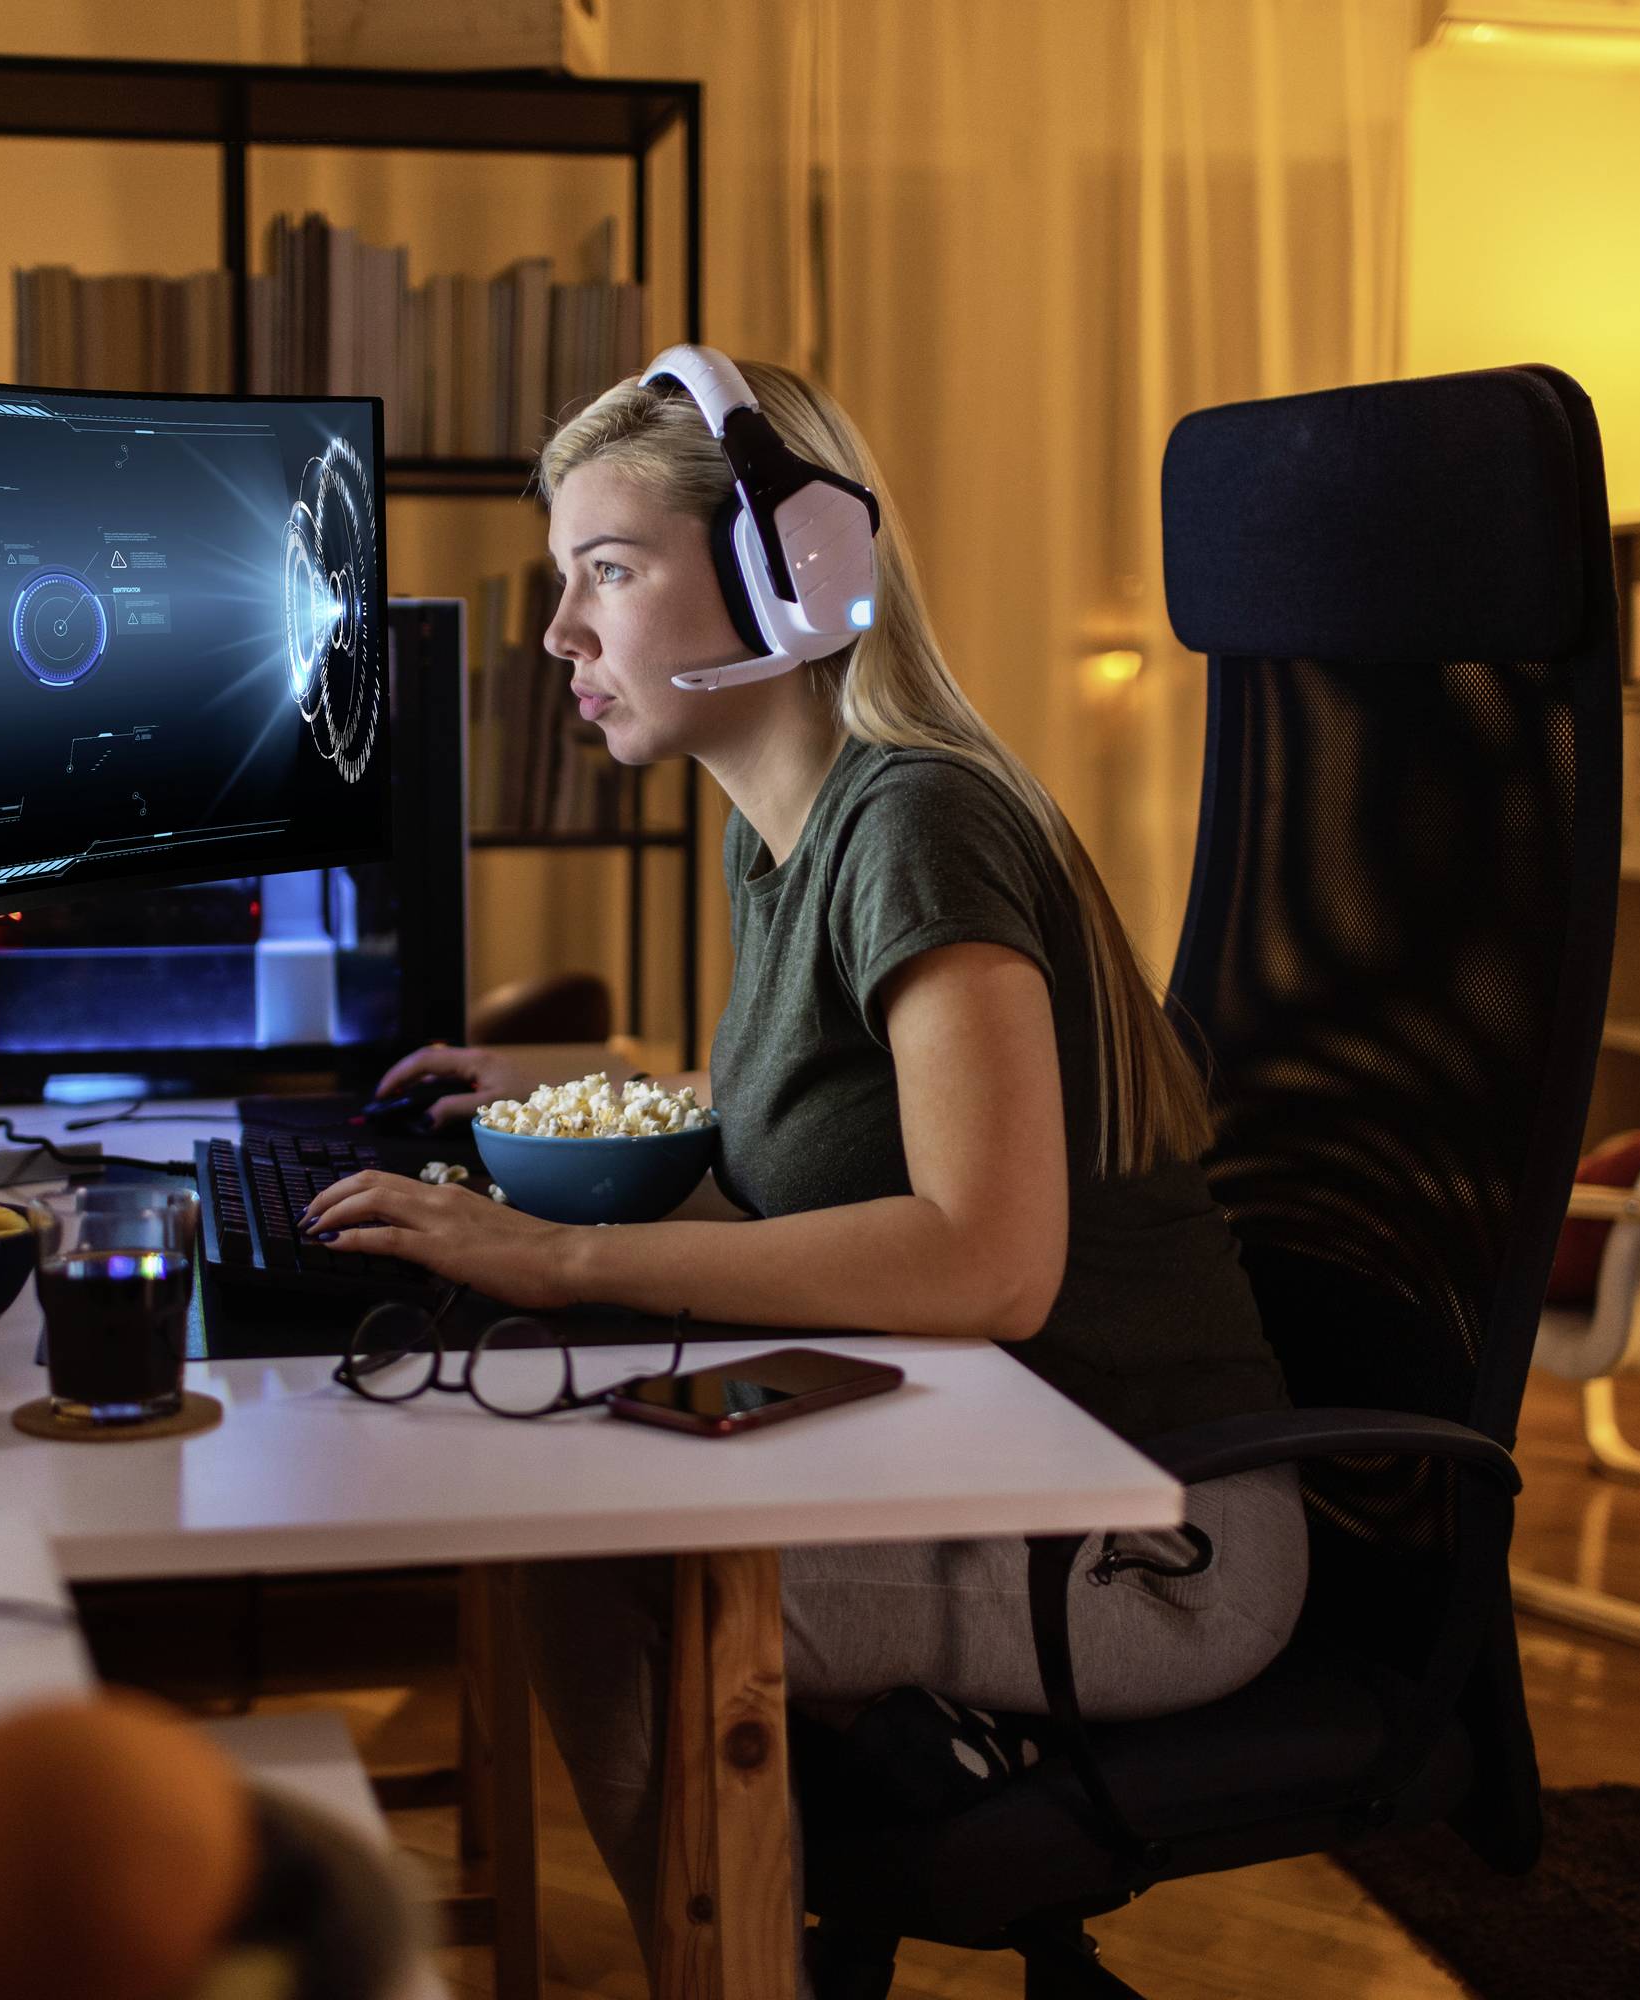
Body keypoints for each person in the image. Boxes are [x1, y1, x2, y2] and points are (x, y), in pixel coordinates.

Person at [296, 355, 1302, 1962]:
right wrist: (586, 1093)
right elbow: (840, 1116)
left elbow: (989, 1257)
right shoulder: (791, 837)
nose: (560, 634)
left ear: (790, 575)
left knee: (608, 1559)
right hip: (995, 1466)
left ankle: (724, 1958)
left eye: (606, 574)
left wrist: (557, 1255)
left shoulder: (916, 821)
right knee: (561, 1483)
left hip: (1154, 1538)